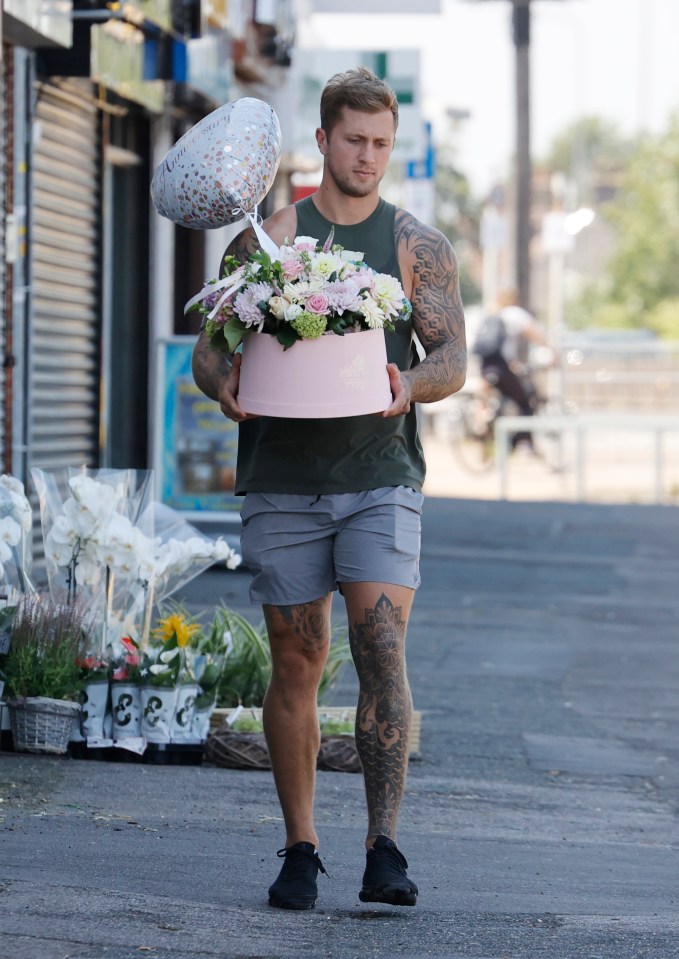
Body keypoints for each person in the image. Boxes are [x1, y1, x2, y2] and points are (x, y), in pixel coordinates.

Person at [192, 67, 467, 910]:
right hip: (281, 477)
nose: (368, 157)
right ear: (322, 140)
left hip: (380, 474)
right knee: (297, 659)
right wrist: (219, 383)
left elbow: (450, 356)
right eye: (354, 140)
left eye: (382, 143)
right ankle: (300, 847)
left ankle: (384, 846)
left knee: (381, 649)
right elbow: (210, 349)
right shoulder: (266, 239)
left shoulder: (415, 244)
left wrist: (409, 387)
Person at [473, 289, 551, 450]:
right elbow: (536, 335)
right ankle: (523, 442)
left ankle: (484, 420)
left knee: (487, 398)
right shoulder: (514, 313)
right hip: (503, 366)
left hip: (486, 365)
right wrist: (551, 350)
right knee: (525, 401)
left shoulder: (490, 314)